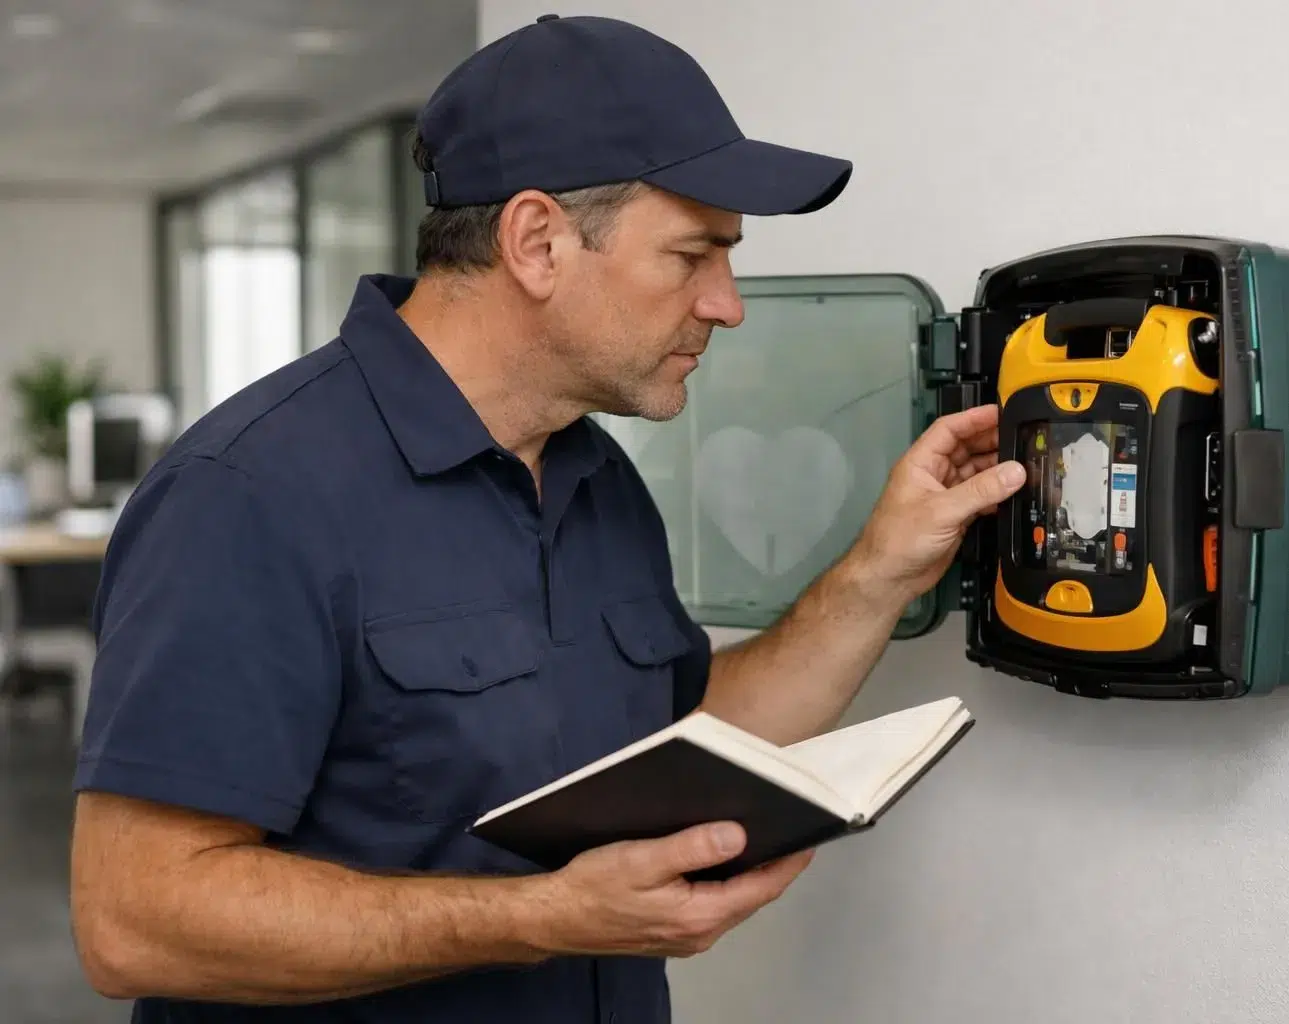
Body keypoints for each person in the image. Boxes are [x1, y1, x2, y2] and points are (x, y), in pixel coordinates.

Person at [68, 14, 1026, 1024]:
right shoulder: (249, 494)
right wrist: (541, 915)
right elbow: (135, 918)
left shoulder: (594, 474)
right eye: (694, 254)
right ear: (536, 241)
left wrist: (881, 567)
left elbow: (678, 747)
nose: (727, 304)